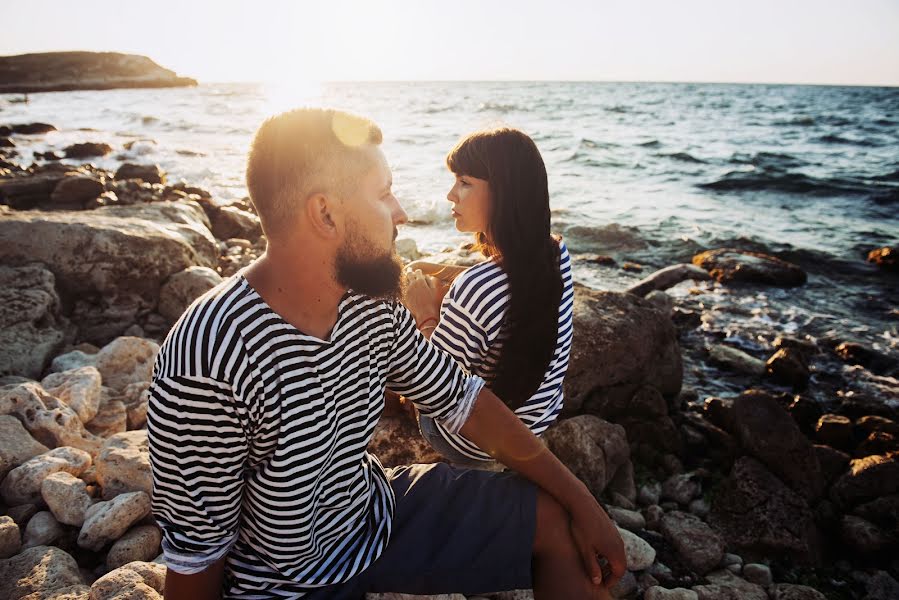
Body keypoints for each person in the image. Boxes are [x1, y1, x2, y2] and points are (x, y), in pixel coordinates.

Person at [147, 108, 624, 600]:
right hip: (284, 585)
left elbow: (464, 400)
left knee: (562, 522)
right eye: (383, 194)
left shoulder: (371, 305)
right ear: (325, 213)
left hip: (373, 515)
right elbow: (196, 557)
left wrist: (584, 502)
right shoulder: (208, 357)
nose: (401, 213)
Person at [403, 127, 572, 467]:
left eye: (465, 183)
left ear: (505, 195)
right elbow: (504, 283)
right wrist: (447, 271)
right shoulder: (556, 252)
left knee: (393, 367)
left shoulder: (476, 288)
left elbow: (434, 393)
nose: (451, 195)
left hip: (474, 443)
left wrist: (425, 315)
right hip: (535, 424)